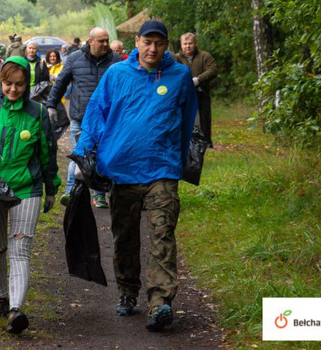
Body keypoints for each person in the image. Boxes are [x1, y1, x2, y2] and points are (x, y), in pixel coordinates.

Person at [75, 20, 197, 331]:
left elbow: (187, 121)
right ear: (137, 42)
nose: (153, 49)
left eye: (159, 43)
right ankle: (128, 292)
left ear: (167, 45)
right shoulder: (117, 74)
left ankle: (160, 302)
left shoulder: (180, 76)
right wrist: (83, 153)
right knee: (125, 237)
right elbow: (95, 113)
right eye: (147, 42)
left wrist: (182, 160)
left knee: (162, 236)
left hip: (163, 171)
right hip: (122, 171)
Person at [0, 56, 60, 335]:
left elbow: (47, 153)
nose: (13, 90)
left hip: (26, 189)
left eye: (19, 85)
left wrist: (51, 188)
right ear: (0, 82)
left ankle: (16, 310)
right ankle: (1, 296)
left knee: (20, 249)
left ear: (27, 84)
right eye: (8, 84)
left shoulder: (38, 113)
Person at [46, 28, 122, 208]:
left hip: (107, 119)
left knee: (102, 156)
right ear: (90, 41)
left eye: (107, 40)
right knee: (79, 155)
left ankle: (99, 194)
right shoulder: (74, 59)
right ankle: (71, 192)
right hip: (81, 117)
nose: (105, 44)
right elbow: (60, 83)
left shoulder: (116, 62)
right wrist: (51, 105)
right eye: (101, 41)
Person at [174, 33, 217, 147]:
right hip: (184, 94)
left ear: (195, 44)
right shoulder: (177, 58)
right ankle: (186, 141)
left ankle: (206, 142)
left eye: (190, 43)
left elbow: (212, 70)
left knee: (204, 118)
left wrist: (198, 79)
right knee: (184, 117)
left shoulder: (205, 56)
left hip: (202, 92)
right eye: (185, 44)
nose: (188, 46)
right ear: (181, 45)